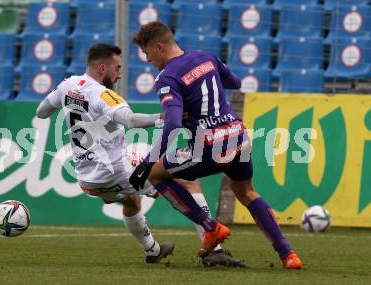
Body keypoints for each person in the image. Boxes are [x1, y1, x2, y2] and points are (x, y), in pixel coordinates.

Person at [35, 43, 243, 267]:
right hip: (116, 170)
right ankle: (214, 248)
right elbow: (131, 121)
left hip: (88, 180)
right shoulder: (103, 95)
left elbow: (42, 112)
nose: (120, 72)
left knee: (131, 201)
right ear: (103, 68)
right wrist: (161, 117)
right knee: (185, 178)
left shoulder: (68, 85)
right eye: (117, 67)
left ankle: (152, 250)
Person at [129, 21, 302, 269]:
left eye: (146, 53)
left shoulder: (167, 78)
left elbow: (172, 124)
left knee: (155, 174)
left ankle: (210, 227)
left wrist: (147, 162)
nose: (147, 60)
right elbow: (236, 82)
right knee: (246, 192)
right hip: (237, 137)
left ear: (158, 47)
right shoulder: (206, 57)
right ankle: (288, 255)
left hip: (208, 145)